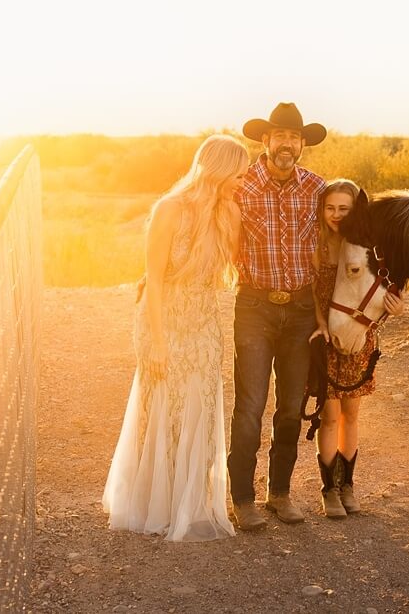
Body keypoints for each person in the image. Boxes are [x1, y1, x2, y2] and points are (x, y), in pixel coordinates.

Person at [103, 134, 248, 541]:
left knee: (200, 404)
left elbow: (234, 269)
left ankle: (193, 502)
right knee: (163, 404)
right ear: (217, 170)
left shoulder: (230, 213)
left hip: (204, 322)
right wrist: (157, 341)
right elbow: (154, 280)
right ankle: (157, 502)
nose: (242, 180)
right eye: (237, 173)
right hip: (163, 318)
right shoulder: (168, 209)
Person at [227, 102, 327, 530]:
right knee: (249, 406)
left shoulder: (318, 189)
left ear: (302, 144)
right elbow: (206, 225)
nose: (287, 144)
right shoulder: (240, 186)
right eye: (279, 136)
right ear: (265, 141)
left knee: (290, 407)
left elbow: (334, 247)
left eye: (294, 137)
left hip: (303, 310)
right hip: (254, 305)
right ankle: (242, 499)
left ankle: (280, 493)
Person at [310, 179, 405, 518]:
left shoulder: (364, 246)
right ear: (322, 209)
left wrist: (395, 306)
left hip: (358, 335)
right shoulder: (317, 245)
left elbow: (380, 286)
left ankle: (347, 484)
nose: (336, 215)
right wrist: (320, 323)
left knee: (352, 415)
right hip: (328, 336)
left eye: (343, 209)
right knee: (329, 415)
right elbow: (312, 292)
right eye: (330, 208)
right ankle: (328, 490)